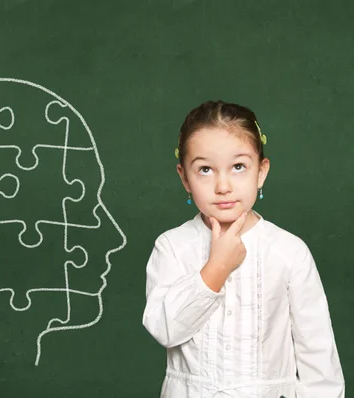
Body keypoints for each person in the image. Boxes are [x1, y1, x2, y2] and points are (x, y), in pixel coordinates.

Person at [142, 100, 345, 397]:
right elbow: (163, 328)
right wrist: (217, 267)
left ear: (261, 172)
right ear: (184, 177)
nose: (223, 185)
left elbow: (318, 358)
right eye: (205, 169)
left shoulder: (288, 251)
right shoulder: (172, 246)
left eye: (238, 167)